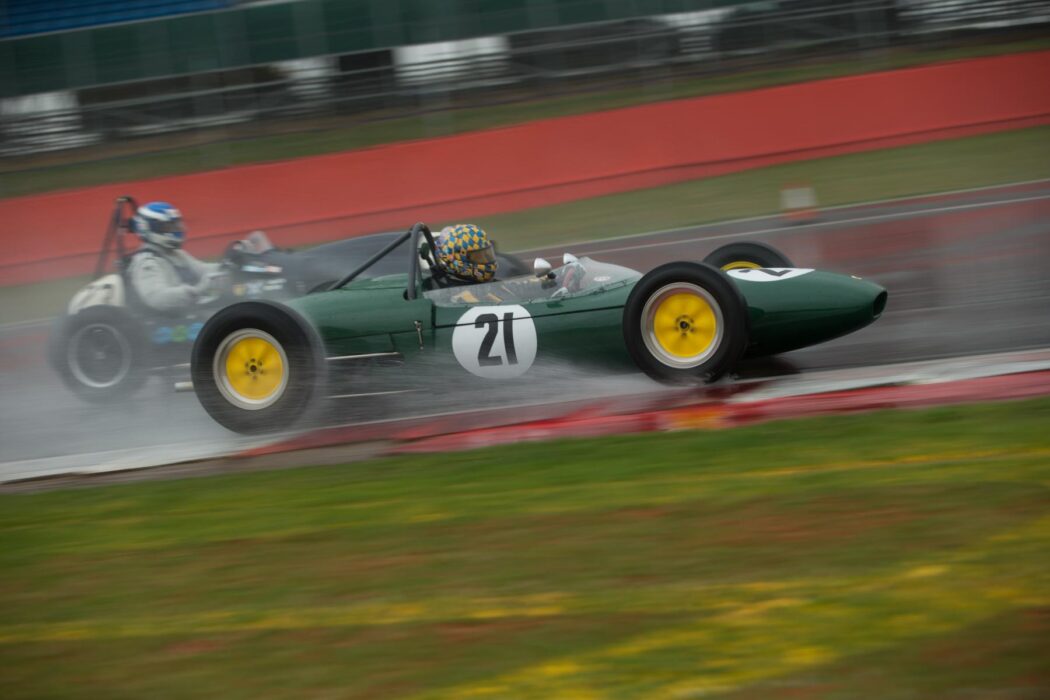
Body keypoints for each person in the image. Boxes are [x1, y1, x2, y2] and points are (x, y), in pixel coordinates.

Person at [126, 201, 226, 312]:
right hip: (168, 319)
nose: (176, 229)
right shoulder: (147, 262)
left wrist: (226, 266)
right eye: (169, 227)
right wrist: (196, 291)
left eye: (176, 225)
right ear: (150, 229)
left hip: (189, 312)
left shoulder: (174, 252)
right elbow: (157, 298)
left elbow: (202, 269)